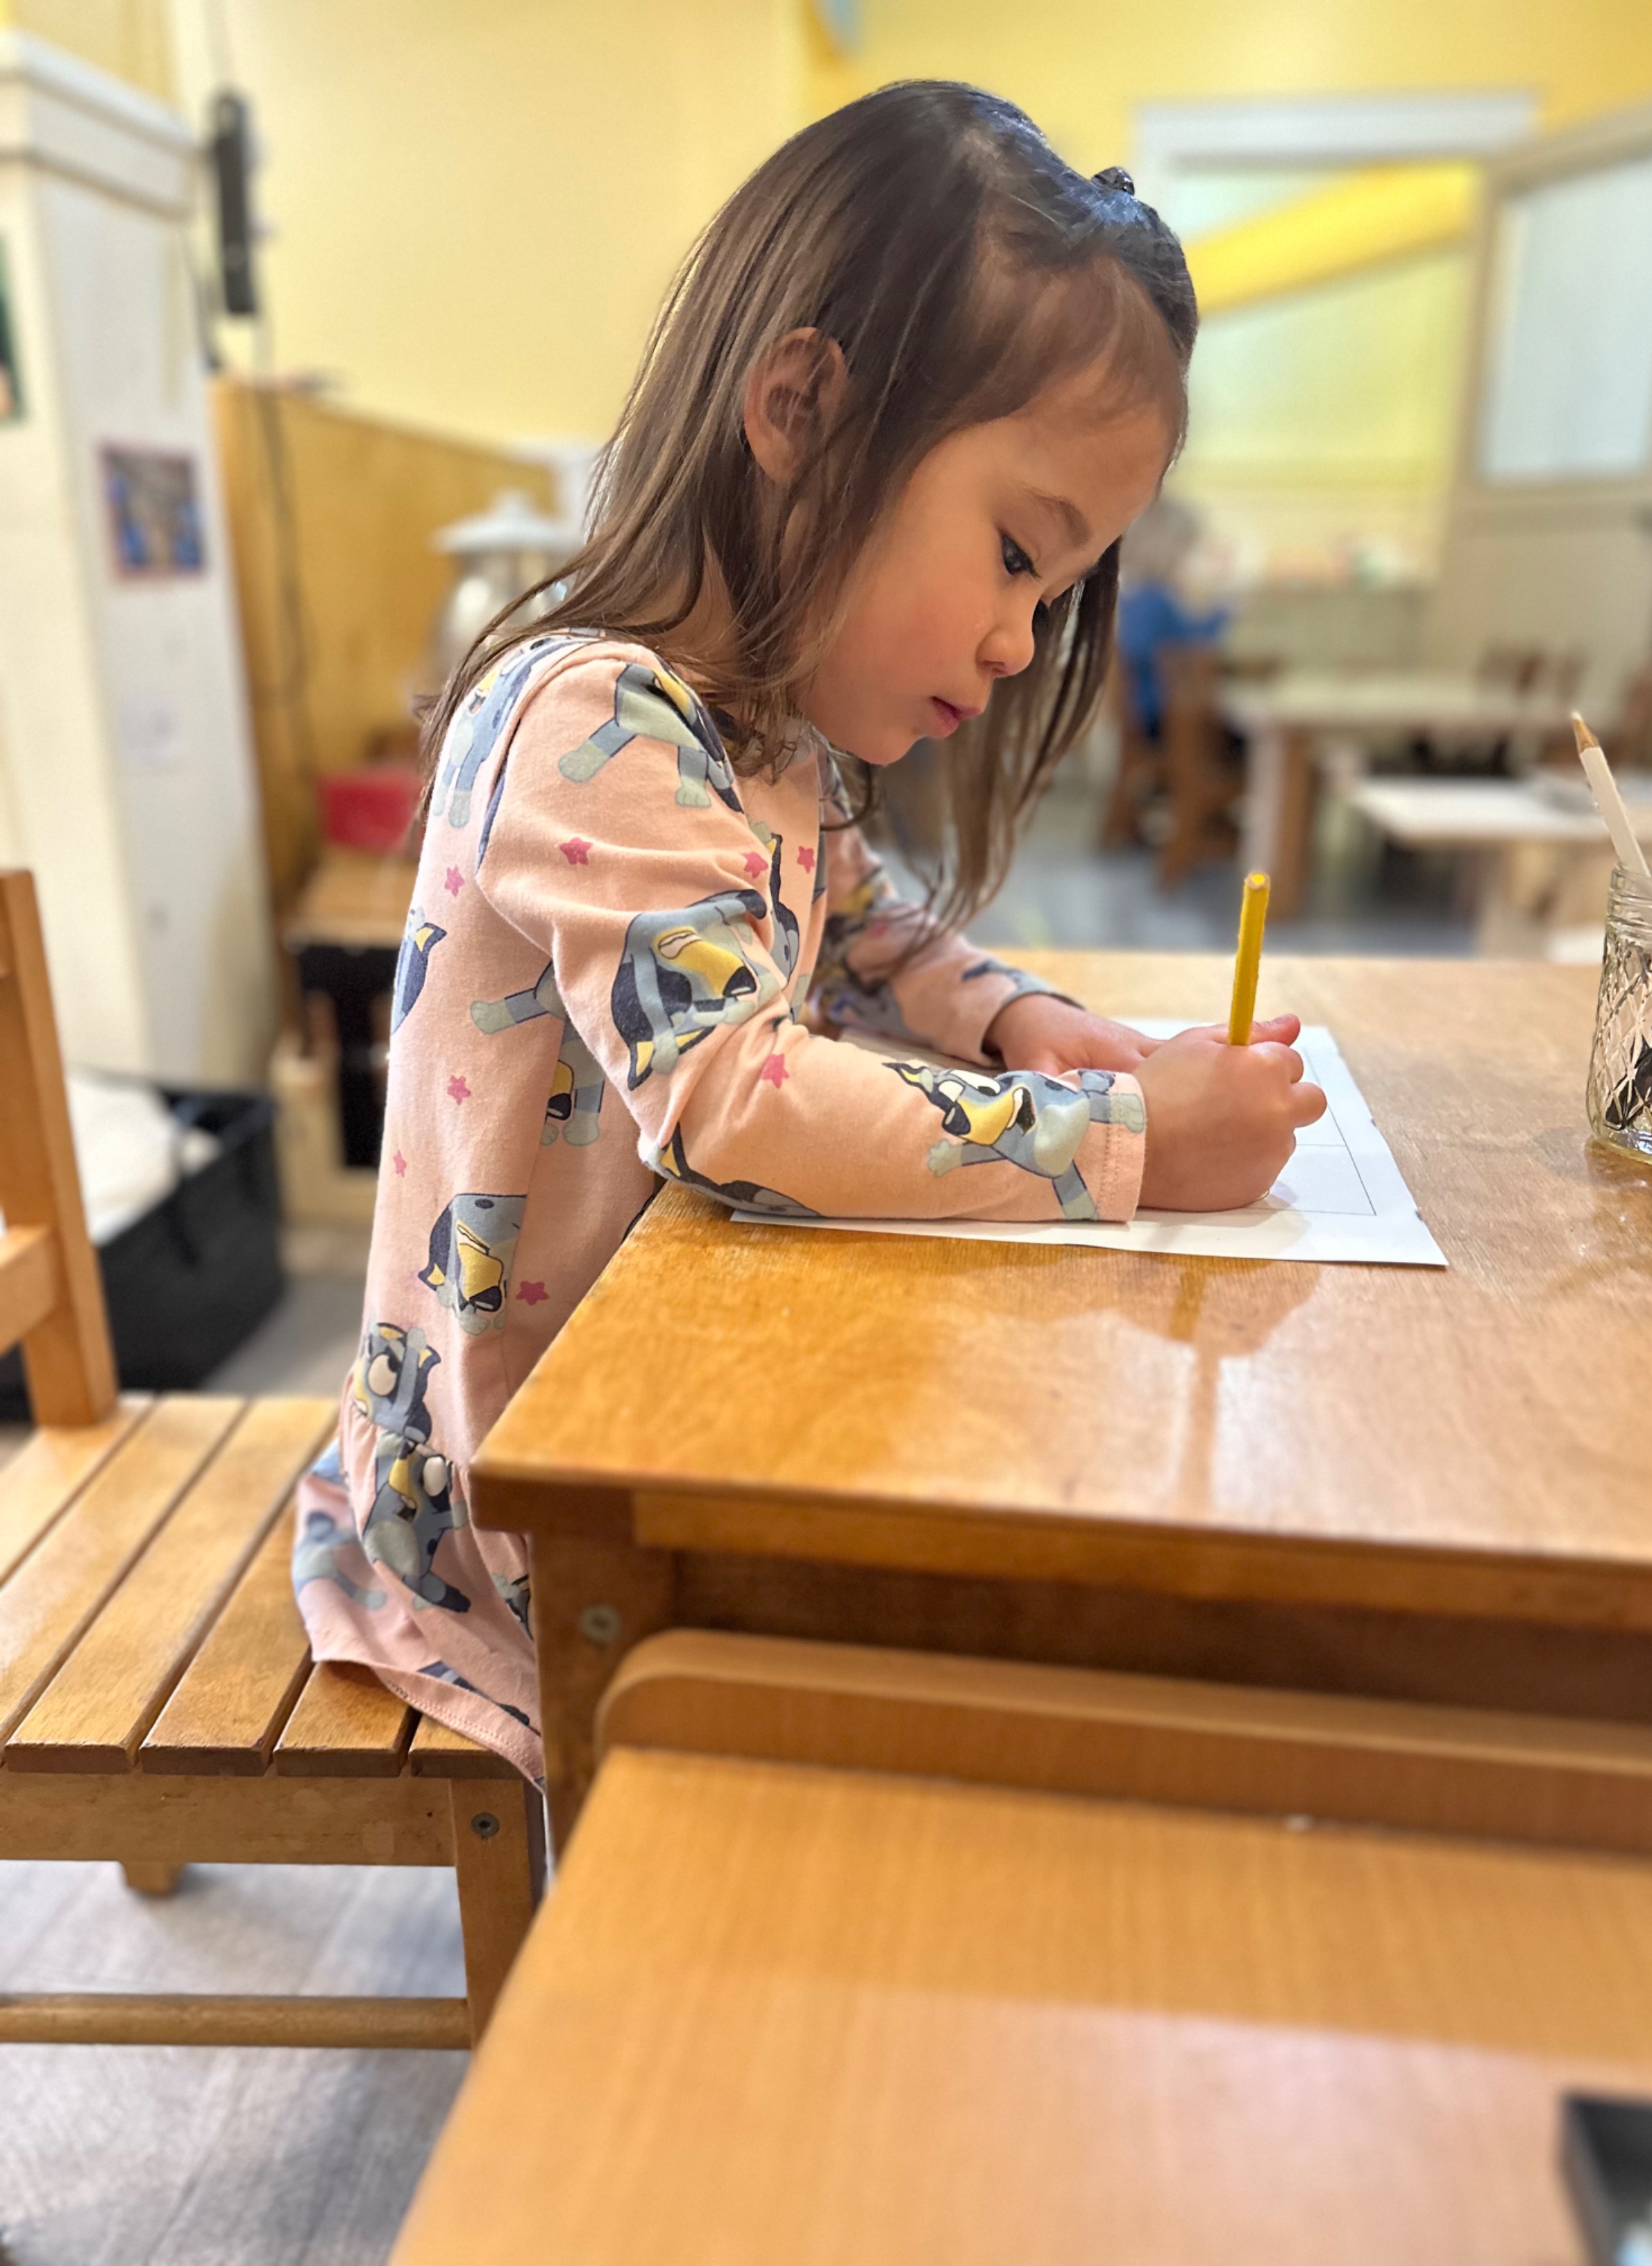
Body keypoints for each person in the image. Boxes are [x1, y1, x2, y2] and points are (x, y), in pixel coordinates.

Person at [292, 83, 1326, 1782]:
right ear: (797, 406)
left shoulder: (763, 737)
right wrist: (1128, 1134)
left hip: (662, 1379)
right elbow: (742, 1106)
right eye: (1011, 552)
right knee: (1001, 1606)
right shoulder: (600, 723)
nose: (1015, 640)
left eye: (1052, 596)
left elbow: (868, 928)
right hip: (529, 1495)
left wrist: (1019, 1028)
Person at [1116, 494, 1231, 741]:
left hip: (1142, 711)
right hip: (1163, 713)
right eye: (1186, 549)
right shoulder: (1155, 598)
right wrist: (1223, 614)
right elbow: (1190, 647)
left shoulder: (1132, 595)